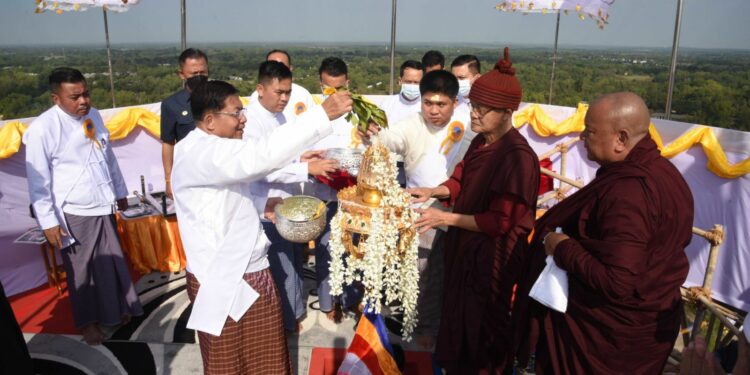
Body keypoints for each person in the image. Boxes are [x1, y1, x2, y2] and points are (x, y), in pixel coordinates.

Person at [171, 80, 351, 374]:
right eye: (235, 113)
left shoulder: (210, 147)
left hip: (248, 267)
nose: (243, 119)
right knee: (227, 360)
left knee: (265, 357)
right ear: (209, 120)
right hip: (225, 274)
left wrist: (258, 204)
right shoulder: (202, 152)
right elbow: (257, 157)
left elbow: (220, 198)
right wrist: (320, 115)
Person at [513, 91, 695, 374]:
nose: (583, 137)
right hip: (644, 324)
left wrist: (559, 246)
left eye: (591, 131)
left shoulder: (629, 193)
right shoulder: (664, 172)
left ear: (621, 139)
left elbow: (617, 281)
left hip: (609, 339)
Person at [409, 47, 540, 373]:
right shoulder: (482, 142)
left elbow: (500, 221)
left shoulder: (517, 158)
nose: (475, 114)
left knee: (482, 335)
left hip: (490, 260)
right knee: (456, 324)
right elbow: (461, 178)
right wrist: (434, 191)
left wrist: (445, 217)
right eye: (473, 106)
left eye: (484, 109)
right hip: (464, 250)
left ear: (509, 111)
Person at [23, 67, 143, 345]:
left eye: (85, 94)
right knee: (83, 271)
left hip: (102, 201)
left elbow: (107, 156)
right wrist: (48, 221)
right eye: (74, 97)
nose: (83, 102)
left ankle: (118, 309)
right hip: (74, 209)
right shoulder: (43, 128)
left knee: (112, 261)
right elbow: (38, 180)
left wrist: (120, 189)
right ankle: (87, 323)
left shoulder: (95, 114)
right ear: (56, 99)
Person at [244, 60, 337, 332]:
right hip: (267, 205)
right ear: (260, 89)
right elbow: (261, 168)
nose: (284, 99)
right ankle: (287, 320)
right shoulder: (251, 123)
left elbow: (282, 154)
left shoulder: (280, 115)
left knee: (294, 262)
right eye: (279, 92)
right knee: (281, 267)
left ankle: (294, 311)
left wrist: (302, 156)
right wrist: (306, 167)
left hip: (288, 203)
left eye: (287, 92)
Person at [160, 48, 209, 198]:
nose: (199, 76)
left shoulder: (219, 98)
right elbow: (168, 143)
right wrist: (168, 179)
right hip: (189, 176)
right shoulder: (172, 104)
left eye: (203, 72)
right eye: (194, 74)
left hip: (217, 170)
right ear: (182, 74)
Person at [249, 49, 315, 120]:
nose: (284, 98)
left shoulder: (303, 94)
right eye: (272, 66)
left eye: (288, 93)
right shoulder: (255, 100)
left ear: (290, 68)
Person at [380, 60, 424, 125]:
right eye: (408, 82)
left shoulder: (428, 106)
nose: (412, 85)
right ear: (400, 81)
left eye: (416, 82)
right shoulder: (387, 105)